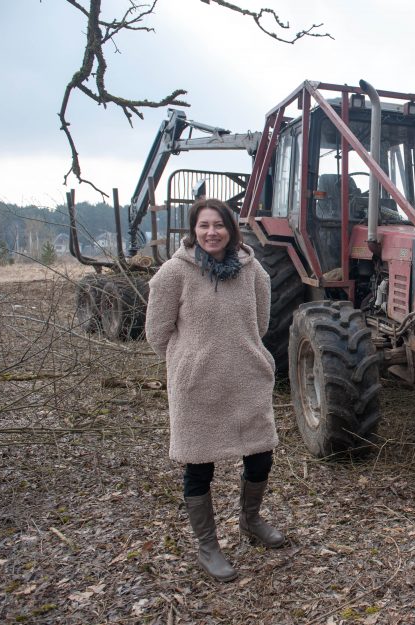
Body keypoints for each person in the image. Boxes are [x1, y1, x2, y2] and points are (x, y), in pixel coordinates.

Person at [145, 198, 284, 582]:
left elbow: (261, 322)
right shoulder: (174, 273)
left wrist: (244, 352)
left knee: (259, 456)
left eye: (219, 225)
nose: (211, 232)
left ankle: (250, 521)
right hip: (198, 386)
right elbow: (157, 333)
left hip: (246, 378)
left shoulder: (252, 270)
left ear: (231, 229)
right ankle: (208, 545)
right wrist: (188, 360)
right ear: (194, 230)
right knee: (199, 465)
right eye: (204, 225)